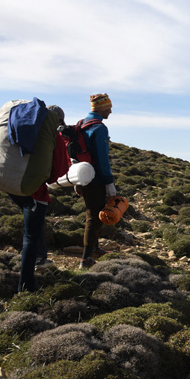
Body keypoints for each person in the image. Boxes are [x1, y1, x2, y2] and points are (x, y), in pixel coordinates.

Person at [8, 104, 70, 292]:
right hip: (35, 191)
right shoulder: (53, 136)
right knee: (30, 237)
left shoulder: (22, 127)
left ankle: (40, 257)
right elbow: (58, 170)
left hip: (12, 184)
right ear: (57, 120)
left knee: (33, 227)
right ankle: (26, 287)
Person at [78, 93, 117, 269]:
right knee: (94, 217)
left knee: (92, 214)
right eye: (108, 107)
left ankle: (94, 248)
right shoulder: (99, 128)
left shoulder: (81, 124)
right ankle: (86, 259)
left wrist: (77, 179)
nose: (111, 109)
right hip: (96, 178)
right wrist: (109, 181)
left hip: (83, 175)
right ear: (101, 108)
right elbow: (102, 158)